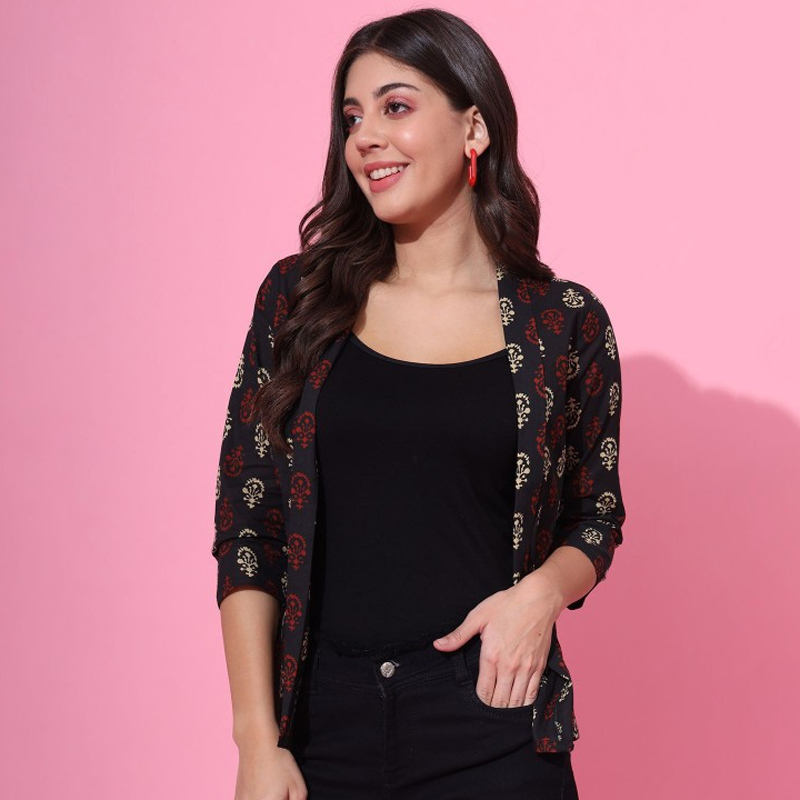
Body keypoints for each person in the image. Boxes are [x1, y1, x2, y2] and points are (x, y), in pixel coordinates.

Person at [211, 8, 626, 799]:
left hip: (492, 720)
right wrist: (256, 741)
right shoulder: (300, 301)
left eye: (394, 107)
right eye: (351, 118)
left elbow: (595, 516)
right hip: (321, 727)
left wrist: (540, 596)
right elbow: (248, 528)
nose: (365, 137)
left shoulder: (562, 323)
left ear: (475, 127)